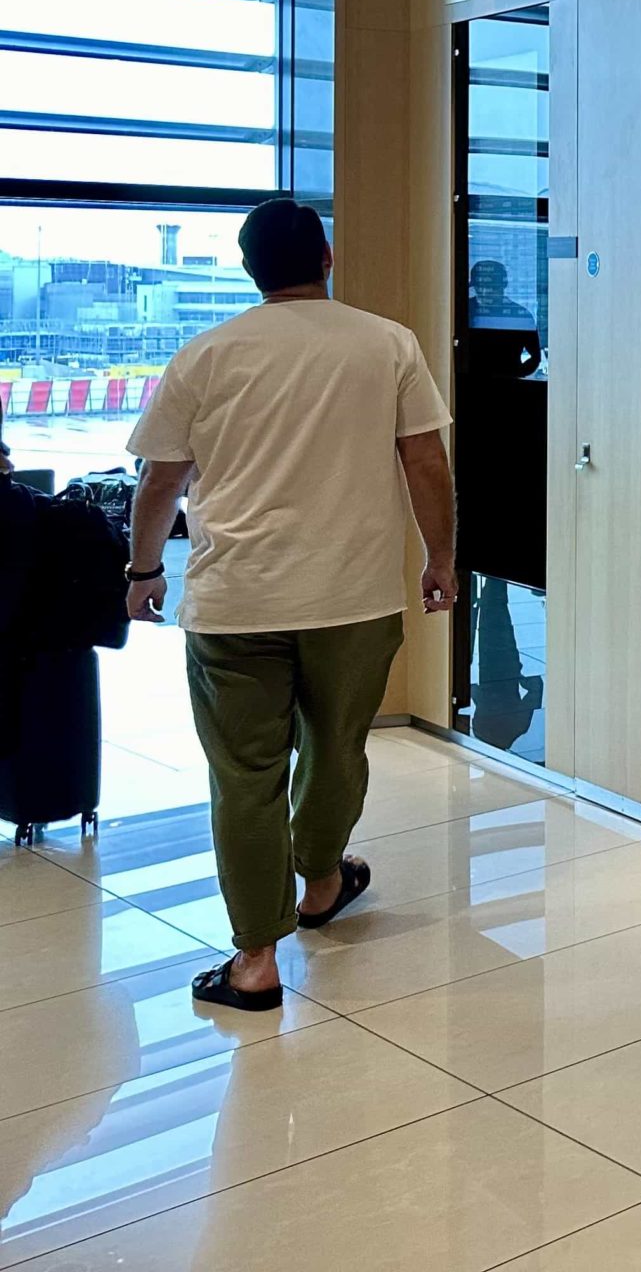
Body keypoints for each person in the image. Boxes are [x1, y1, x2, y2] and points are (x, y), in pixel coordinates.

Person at [123, 198, 457, 1013]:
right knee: (338, 748)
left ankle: (256, 962)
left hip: (236, 601)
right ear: (328, 257)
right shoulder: (387, 344)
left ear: (248, 270)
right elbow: (425, 461)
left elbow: (160, 480)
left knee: (245, 777)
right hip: (354, 596)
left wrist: (141, 571)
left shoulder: (204, 355)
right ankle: (319, 885)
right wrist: (441, 557)